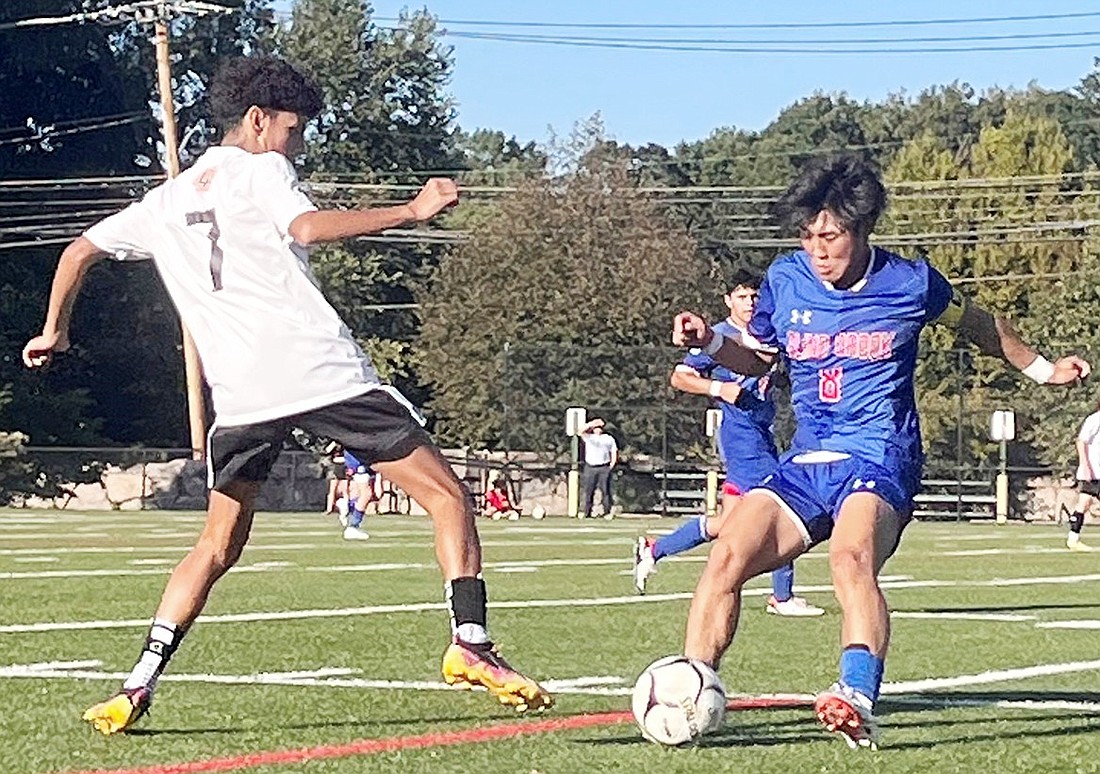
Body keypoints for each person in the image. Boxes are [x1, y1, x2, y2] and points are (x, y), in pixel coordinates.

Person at [23, 55, 552, 736]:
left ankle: (136, 683)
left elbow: (77, 252)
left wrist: (54, 331)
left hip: (241, 396)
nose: (298, 145)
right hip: (317, 371)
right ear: (258, 120)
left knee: (216, 546)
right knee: (447, 496)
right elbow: (305, 229)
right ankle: (471, 642)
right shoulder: (263, 169)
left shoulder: (163, 202)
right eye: (295, 130)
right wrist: (413, 211)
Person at [670, 154, 1089, 750]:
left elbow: (980, 325)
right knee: (726, 556)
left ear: (862, 230)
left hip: (878, 455)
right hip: (806, 460)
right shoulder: (785, 280)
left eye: (831, 236)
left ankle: (856, 694)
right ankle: (693, 687)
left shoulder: (909, 283)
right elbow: (762, 360)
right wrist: (711, 340)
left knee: (849, 557)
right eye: (808, 236)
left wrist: (1044, 369)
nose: (818, 249)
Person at [633, 272, 824, 617]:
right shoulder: (720, 336)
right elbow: (680, 376)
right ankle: (782, 597)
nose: (750, 303)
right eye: (742, 297)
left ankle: (654, 548)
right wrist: (719, 390)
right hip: (741, 437)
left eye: (754, 297)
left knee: (730, 523)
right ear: (728, 301)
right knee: (781, 503)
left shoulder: (768, 336)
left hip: (763, 434)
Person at [1068, 401, 1100, 551]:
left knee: (1084, 502)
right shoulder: (1095, 419)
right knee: (1084, 502)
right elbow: (1081, 441)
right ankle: (1073, 538)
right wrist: (1085, 465)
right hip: (1094, 470)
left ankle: (1073, 538)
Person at [580, 418, 617, 518]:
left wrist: (611, 464)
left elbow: (613, 451)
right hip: (590, 467)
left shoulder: (608, 438)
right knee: (589, 491)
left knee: (605, 490)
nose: (598, 429)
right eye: (596, 428)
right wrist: (592, 423)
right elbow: (580, 431)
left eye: (599, 427)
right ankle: (587, 512)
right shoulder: (589, 437)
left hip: (603, 467)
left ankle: (607, 512)